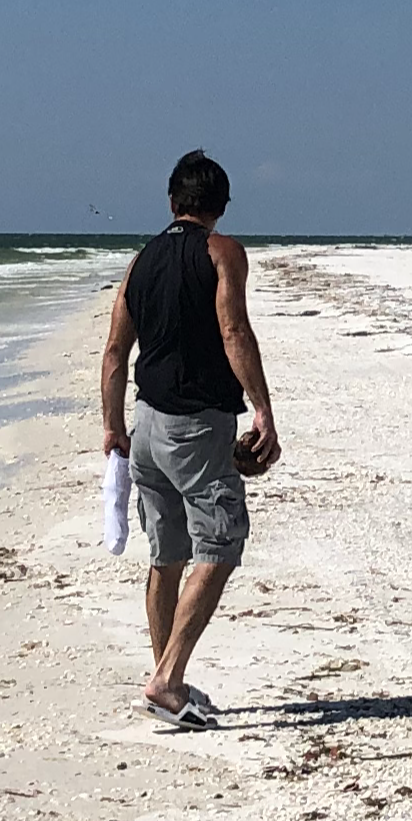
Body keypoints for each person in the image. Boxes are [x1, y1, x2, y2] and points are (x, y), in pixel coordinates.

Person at [101, 149, 280, 728]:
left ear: (174, 201)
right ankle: (167, 679)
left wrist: (112, 427)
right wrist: (263, 409)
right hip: (196, 425)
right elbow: (233, 328)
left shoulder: (141, 260)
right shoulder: (221, 251)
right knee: (222, 541)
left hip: (147, 423)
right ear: (220, 206)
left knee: (167, 553)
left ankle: (165, 682)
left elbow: (113, 353)